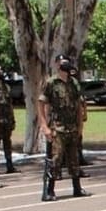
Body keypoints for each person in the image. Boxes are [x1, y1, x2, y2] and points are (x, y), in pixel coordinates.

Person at [37, 54, 89, 201]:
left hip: (72, 126)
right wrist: (44, 126)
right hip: (57, 127)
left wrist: (80, 126)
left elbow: (78, 105)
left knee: (74, 158)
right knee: (55, 158)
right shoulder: (51, 83)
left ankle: (77, 188)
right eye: (62, 63)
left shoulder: (74, 83)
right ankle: (49, 190)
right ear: (57, 65)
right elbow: (41, 103)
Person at [0, 67, 19, 174]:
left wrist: (13, 119)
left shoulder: (6, 87)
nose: (0, 73)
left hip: (7, 120)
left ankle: (9, 165)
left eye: (1, 71)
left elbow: (10, 105)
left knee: (7, 144)